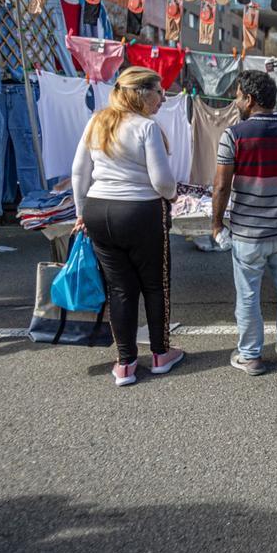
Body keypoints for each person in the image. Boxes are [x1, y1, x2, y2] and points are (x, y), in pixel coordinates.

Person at [71, 66, 183, 386]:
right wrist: (173, 193)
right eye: (159, 91)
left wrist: (81, 212)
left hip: (98, 209)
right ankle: (161, 353)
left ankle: (125, 363)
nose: (163, 98)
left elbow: (79, 171)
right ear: (140, 93)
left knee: (119, 288)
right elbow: (162, 181)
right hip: (140, 211)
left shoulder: (97, 121)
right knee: (154, 284)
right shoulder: (146, 128)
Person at [211, 70, 277, 375]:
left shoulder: (234, 136)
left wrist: (216, 224)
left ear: (249, 99)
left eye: (238, 95)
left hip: (248, 234)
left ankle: (251, 356)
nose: (235, 101)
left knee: (249, 295)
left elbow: (221, 187)